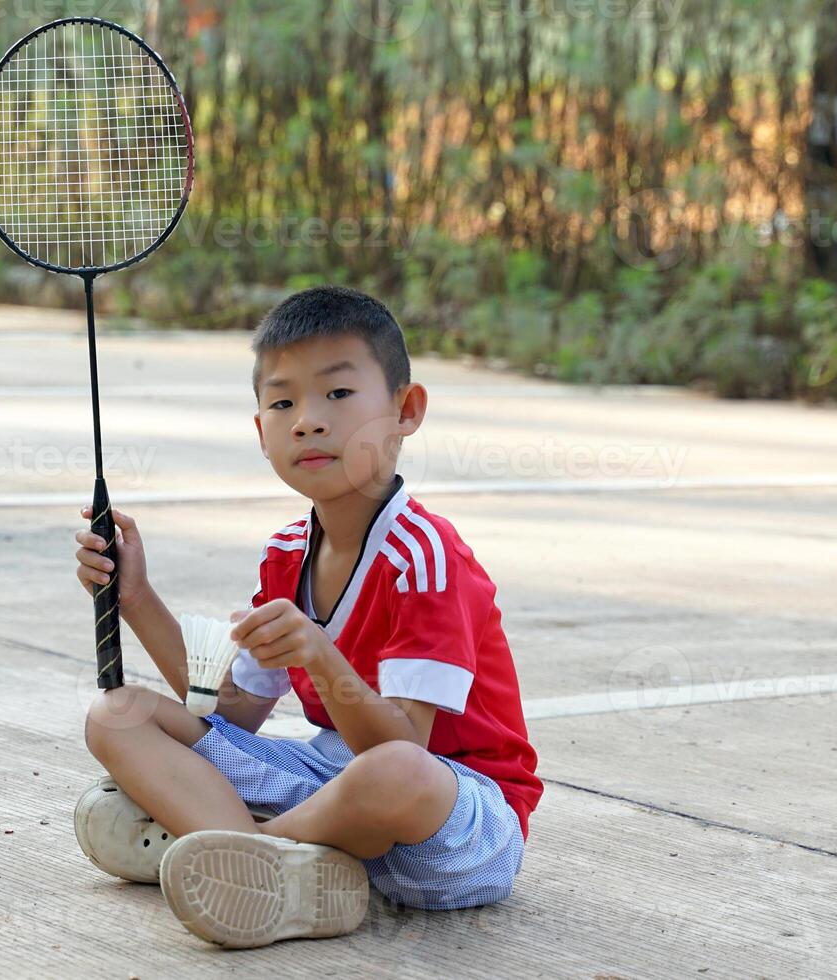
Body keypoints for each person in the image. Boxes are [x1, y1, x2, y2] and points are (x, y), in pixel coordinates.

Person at [71, 286, 542, 948]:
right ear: (262, 431)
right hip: (338, 785)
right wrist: (137, 598)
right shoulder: (287, 553)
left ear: (406, 411)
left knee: (391, 772)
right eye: (284, 402)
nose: (308, 421)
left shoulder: (427, 558)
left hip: (454, 818)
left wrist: (321, 656)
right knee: (117, 714)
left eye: (338, 395)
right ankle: (280, 875)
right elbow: (226, 713)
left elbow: (403, 748)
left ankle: (240, 852)